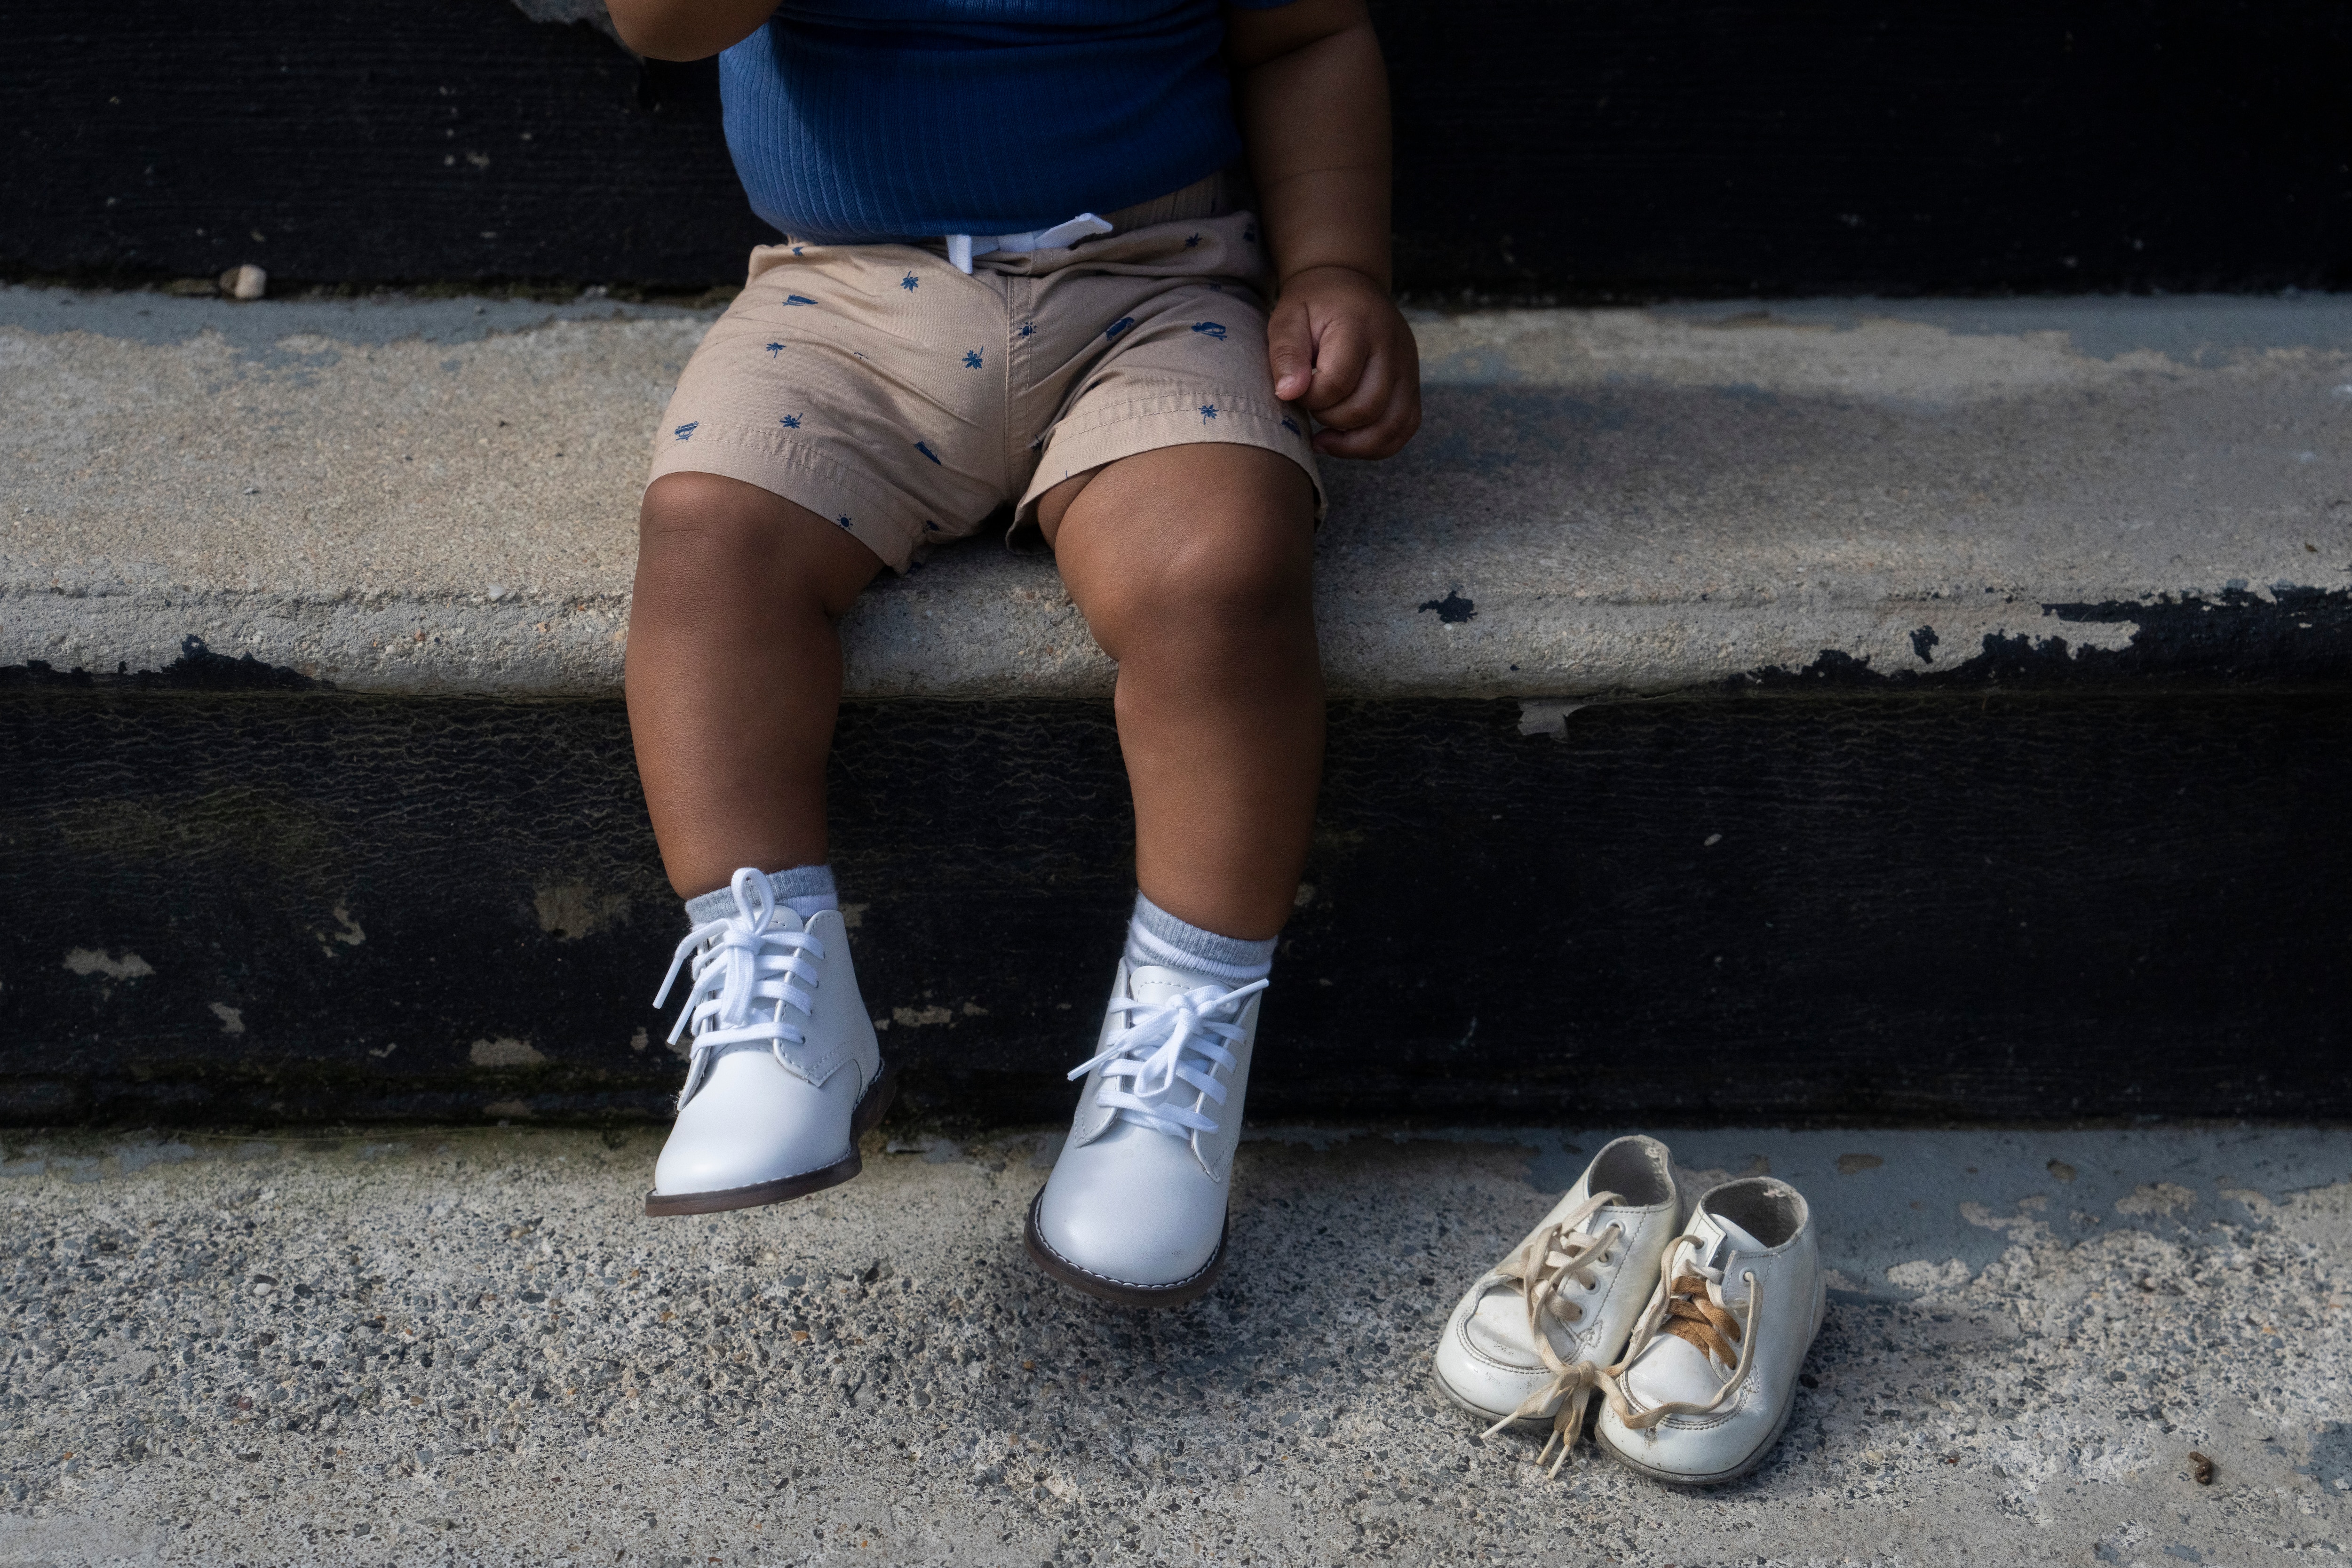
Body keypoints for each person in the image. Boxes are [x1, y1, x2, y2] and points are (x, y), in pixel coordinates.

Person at [607, 0, 1421, 1305]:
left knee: (1218, 573)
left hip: (1156, 284)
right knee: (710, 537)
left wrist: (1339, 269)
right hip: (841, 296)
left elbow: (1305, 36)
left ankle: (1179, 1050)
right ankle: (774, 996)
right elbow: (662, 26)